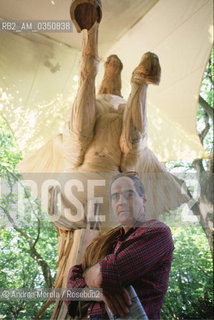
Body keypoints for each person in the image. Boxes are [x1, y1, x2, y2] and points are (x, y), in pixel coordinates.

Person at [65, 173, 174, 319]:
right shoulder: (103, 243)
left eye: (129, 195)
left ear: (144, 199)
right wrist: (97, 293)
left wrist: (89, 275)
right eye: (116, 197)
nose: (121, 202)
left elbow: (102, 277)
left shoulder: (158, 232)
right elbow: (70, 292)